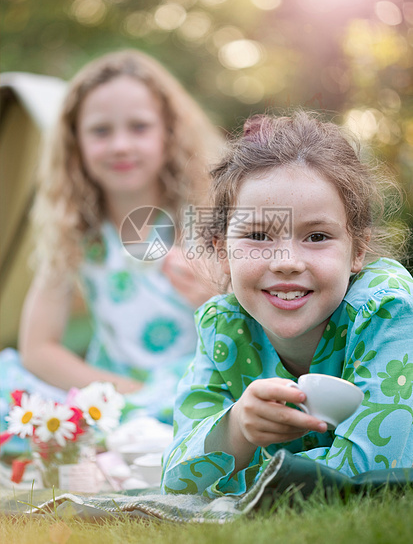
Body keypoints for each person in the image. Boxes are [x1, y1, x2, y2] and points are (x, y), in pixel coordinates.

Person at [161, 110, 413, 498]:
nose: (286, 262)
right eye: (258, 235)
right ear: (223, 252)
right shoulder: (224, 326)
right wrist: (237, 429)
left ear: (357, 250)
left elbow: (374, 475)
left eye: (316, 236)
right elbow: (177, 482)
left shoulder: (385, 309)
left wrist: (247, 481)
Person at [0, 49, 223, 442]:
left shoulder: (200, 218)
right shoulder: (76, 232)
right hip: (113, 392)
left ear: (169, 133)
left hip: (198, 387)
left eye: (139, 127)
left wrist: (215, 296)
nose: (120, 145)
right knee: (7, 379)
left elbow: (257, 328)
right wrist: (121, 394)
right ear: (75, 144)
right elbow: (38, 349)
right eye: (101, 131)